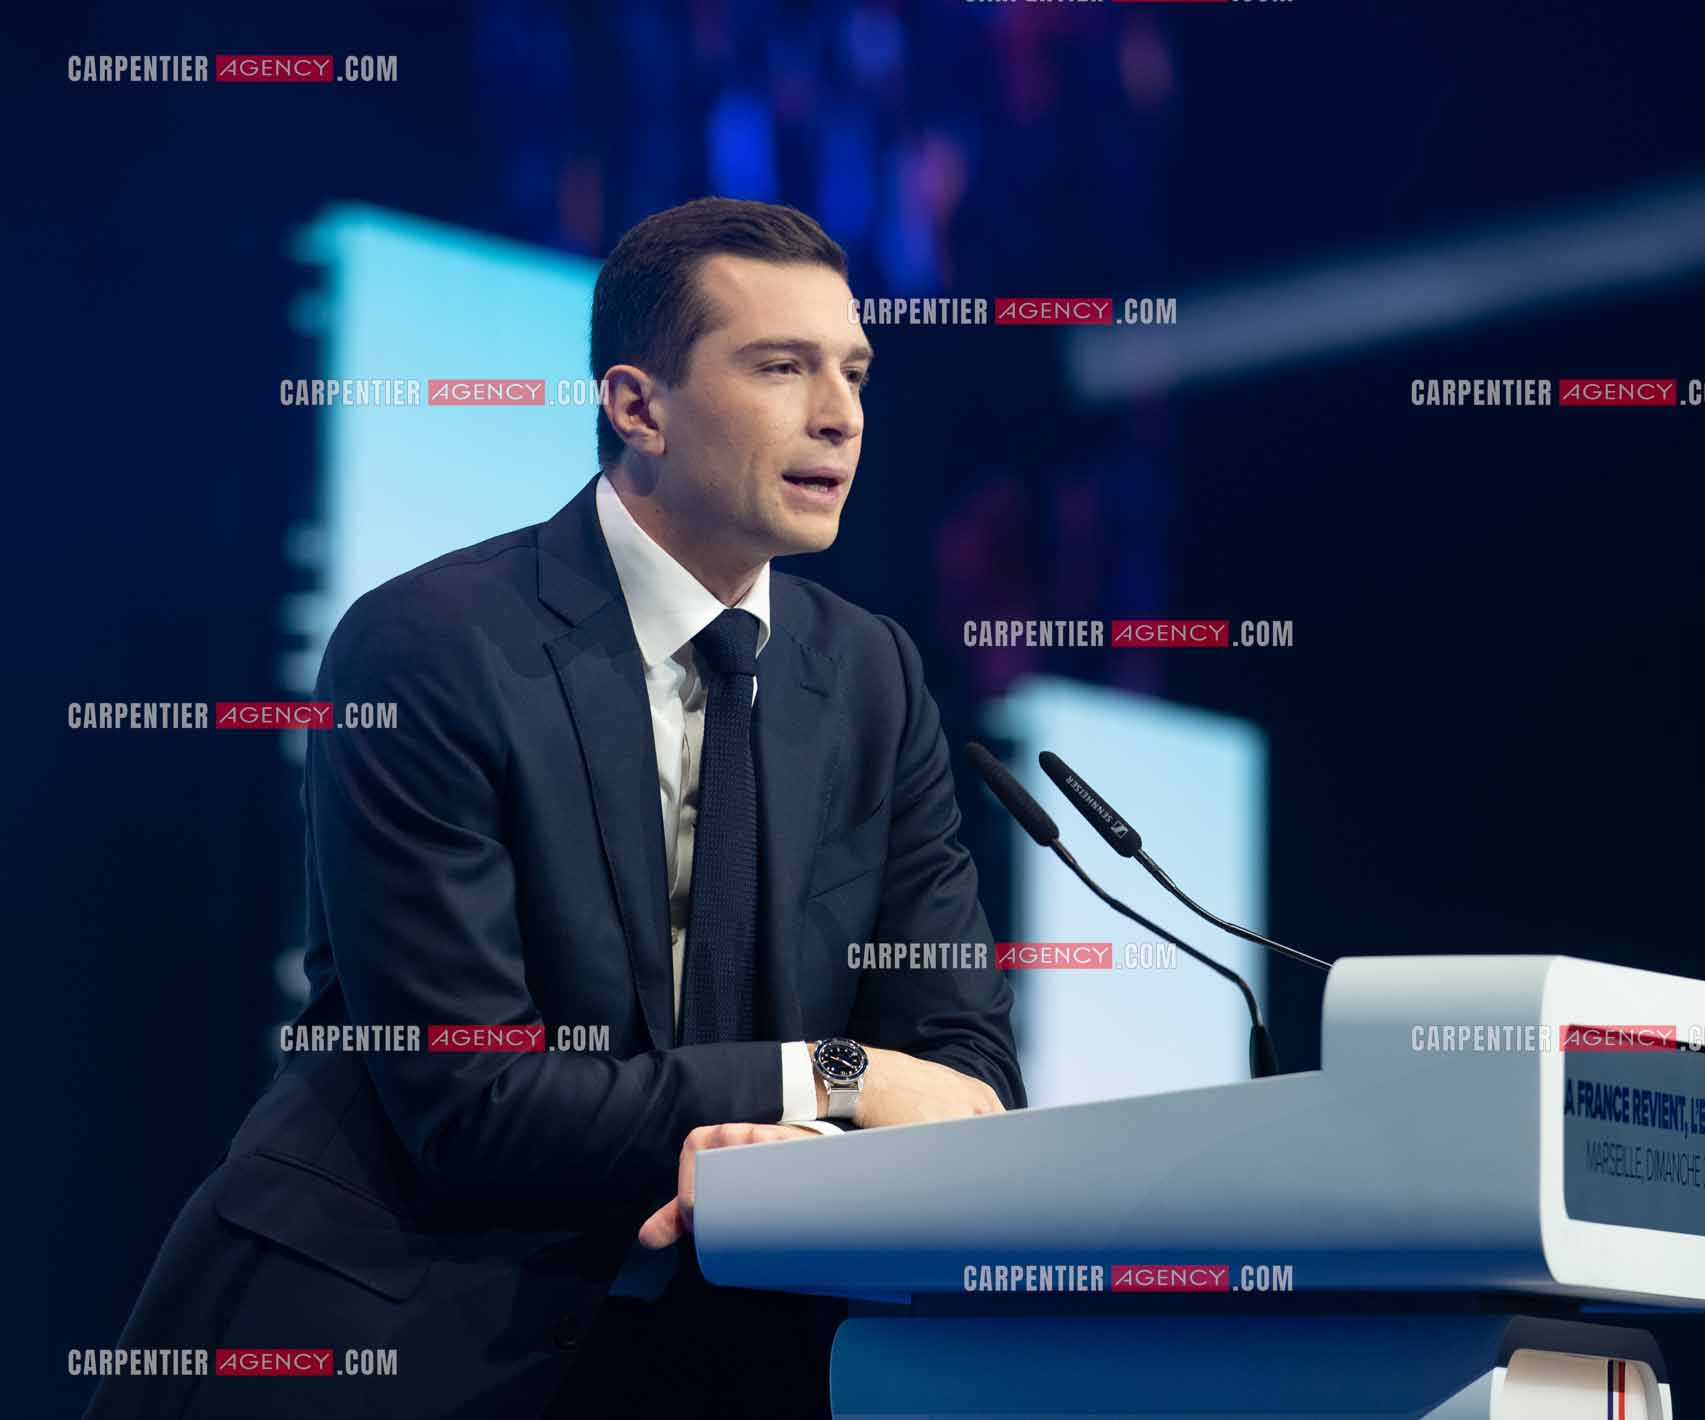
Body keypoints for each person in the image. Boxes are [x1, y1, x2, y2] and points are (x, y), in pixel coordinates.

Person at [93, 197, 1023, 1419]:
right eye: (781, 367)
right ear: (637, 407)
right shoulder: (430, 648)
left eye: (852, 371)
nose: (840, 414)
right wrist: (822, 1076)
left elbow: (962, 1066)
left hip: (725, 1356)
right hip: (400, 1329)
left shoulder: (872, 677)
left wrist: (787, 1161)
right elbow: (472, 1104)